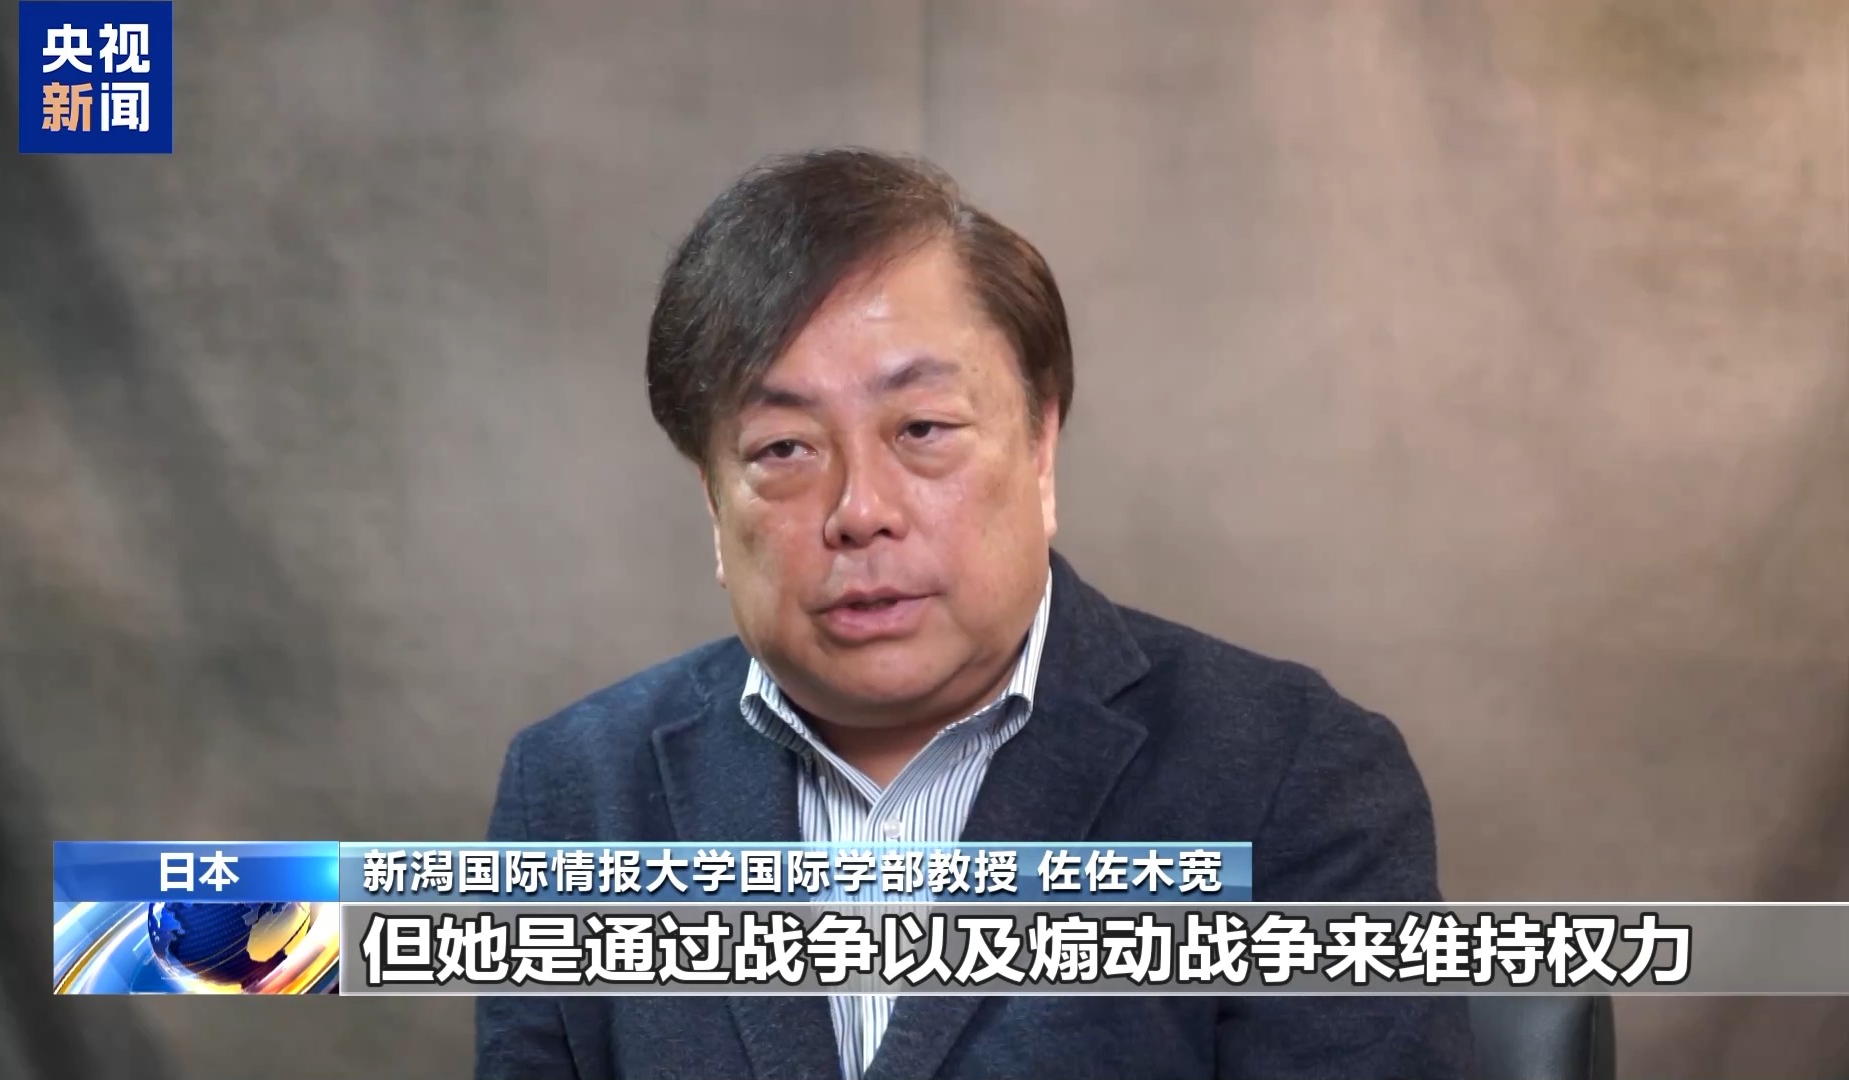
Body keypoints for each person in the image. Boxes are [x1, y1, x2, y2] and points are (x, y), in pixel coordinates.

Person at [477, 147, 1474, 1079]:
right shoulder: (573, 797)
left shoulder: (1293, 776)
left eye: (922, 428)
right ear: (711, 498)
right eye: (783, 449)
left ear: (1040, 448)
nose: (860, 510)